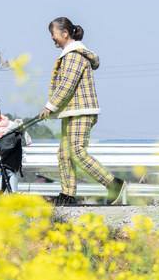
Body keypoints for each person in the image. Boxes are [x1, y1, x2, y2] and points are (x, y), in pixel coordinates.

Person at [38, 17, 126, 205]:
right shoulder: (70, 54)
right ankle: (67, 195)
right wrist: (54, 109)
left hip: (81, 111)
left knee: (76, 152)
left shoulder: (74, 55)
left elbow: (67, 85)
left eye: (53, 33)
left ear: (64, 33)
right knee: (64, 153)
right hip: (72, 111)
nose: (52, 38)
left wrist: (50, 106)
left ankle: (113, 184)